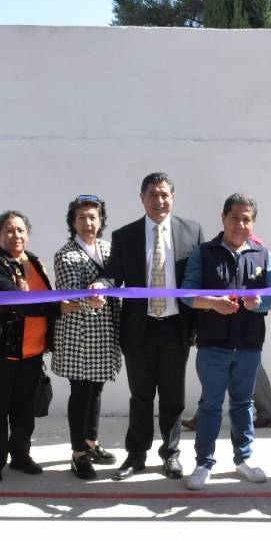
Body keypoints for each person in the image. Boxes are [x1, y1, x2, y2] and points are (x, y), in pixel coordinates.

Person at [101, 172, 204, 481]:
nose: (159, 201)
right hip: (138, 327)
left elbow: (199, 281)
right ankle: (136, 455)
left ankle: (171, 454)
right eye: (152, 195)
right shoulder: (125, 235)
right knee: (141, 396)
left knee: (173, 398)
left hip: (176, 327)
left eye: (164, 195)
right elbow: (113, 276)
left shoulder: (192, 232)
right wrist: (99, 285)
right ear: (141, 198)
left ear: (172, 197)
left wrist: (198, 323)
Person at [0, 211, 84, 484]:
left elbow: (45, 295)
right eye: (8, 231)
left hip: (32, 353)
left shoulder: (34, 261)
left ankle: (21, 456)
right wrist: (57, 307)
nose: (15, 236)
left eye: (20, 230)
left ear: (28, 234)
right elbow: (17, 302)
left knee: (24, 411)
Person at [180, 193, 271, 490]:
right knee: (210, 405)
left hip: (249, 345)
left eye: (246, 218)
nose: (240, 224)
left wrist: (257, 302)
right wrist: (212, 303)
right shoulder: (204, 252)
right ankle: (203, 463)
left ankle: (243, 459)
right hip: (213, 344)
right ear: (223, 218)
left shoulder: (262, 254)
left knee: (243, 404)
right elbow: (186, 295)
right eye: (234, 217)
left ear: (253, 223)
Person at [52, 195, 122, 480]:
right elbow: (69, 294)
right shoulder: (65, 254)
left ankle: (91, 443)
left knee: (96, 390)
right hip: (78, 335)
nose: (88, 223)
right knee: (80, 392)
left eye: (93, 217)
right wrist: (88, 300)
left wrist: (103, 286)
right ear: (73, 222)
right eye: (81, 218)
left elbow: (117, 279)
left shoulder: (108, 249)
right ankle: (77, 453)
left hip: (105, 331)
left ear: (101, 220)